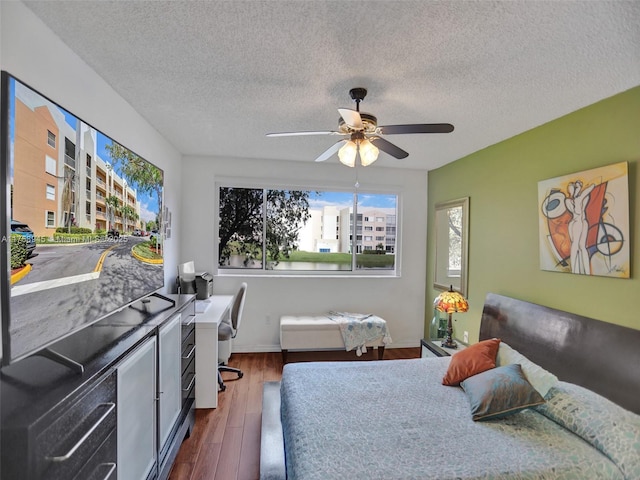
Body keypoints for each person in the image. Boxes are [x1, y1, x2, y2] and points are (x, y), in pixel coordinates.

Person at [565, 180, 595, 274]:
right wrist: (577, 197)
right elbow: (577, 212)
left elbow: (590, 188)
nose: (573, 189)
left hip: (583, 222)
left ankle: (587, 271)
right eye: (573, 187)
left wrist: (579, 193)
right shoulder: (568, 200)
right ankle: (575, 270)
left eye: (575, 187)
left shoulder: (583, 197)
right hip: (575, 223)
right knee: (575, 245)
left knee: (583, 247)